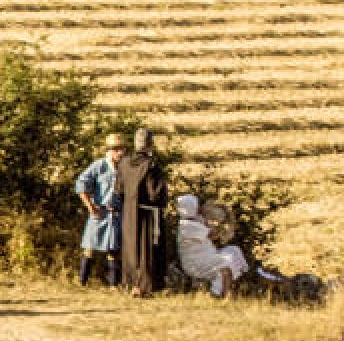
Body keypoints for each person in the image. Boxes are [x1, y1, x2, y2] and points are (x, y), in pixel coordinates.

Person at [110, 127, 169, 297]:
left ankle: (133, 285)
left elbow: (118, 190)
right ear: (150, 145)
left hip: (129, 213)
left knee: (131, 249)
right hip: (147, 214)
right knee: (146, 250)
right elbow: (154, 194)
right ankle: (144, 287)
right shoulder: (150, 165)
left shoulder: (124, 162)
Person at [74, 133, 125, 287]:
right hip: (99, 213)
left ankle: (113, 285)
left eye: (122, 149)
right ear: (110, 150)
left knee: (113, 250)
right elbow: (81, 184)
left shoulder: (124, 168)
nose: (120, 153)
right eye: (117, 150)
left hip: (116, 214)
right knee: (89, 248)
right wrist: (90, 206)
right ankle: (82, 282)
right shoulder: (99, 166)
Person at [175, 194, 248, 299]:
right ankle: (219, 295)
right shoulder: (186, 225)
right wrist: (221, 227)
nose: (198, 208)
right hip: (196, 262)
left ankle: (225, 294)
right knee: (226, 267)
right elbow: (212, 234)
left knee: (233, 251)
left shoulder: (194, 220)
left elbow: (208, 228)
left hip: (206, 257)